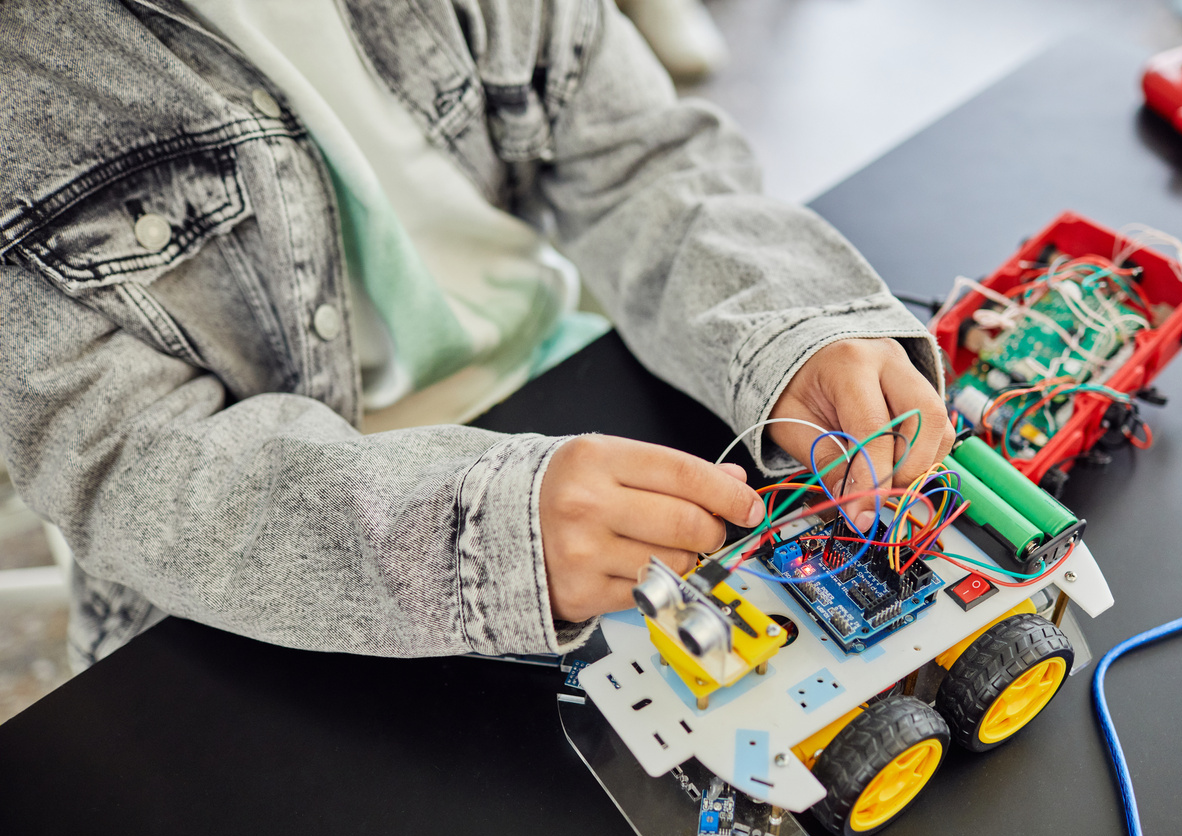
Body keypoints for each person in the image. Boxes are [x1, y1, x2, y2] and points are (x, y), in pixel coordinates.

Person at [0, 0, 954, 672]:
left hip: (566, 408)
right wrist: (472, 539)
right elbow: (119, 461)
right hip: (250, 577)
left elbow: (636, 163)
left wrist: (788, 324)